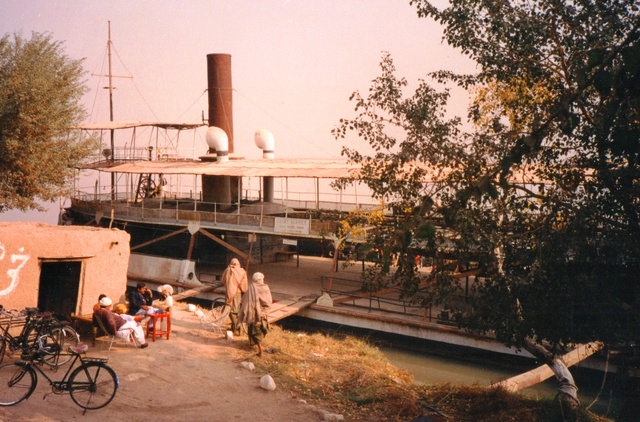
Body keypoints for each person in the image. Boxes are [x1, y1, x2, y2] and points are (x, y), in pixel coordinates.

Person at [238, 272, 272, 357]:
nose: (262, 280)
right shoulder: (265, 287)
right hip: (263, 313)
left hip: (255, 314)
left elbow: (244, 299)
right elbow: (268, 301)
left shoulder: (253, 288)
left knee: (255, 331)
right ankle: (254, 345)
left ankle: (260, 351)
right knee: (258, 330)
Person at [221, 258, 248, 335]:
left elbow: (223, 280)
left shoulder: (228, 270)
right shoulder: (242, 272)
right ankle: (236, 327)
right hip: (238, 294)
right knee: (238, 310)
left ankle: (236, 327)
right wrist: (244, 291)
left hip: (229, 293)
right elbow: (244, 285)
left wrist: (228, 285)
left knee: (231, 310)